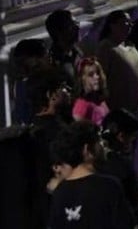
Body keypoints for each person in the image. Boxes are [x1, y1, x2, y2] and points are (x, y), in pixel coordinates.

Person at [48, 120, 136, 228]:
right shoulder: (108, 186)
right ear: (87, 150)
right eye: (98, 141)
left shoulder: (59, 193)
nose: (103, 145)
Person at [28, 65, 72, 228]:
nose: (68, 91)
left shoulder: (31, 130)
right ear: (50, 95)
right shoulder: (60, 133)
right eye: (63, 87)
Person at [97, 109, 138, 227]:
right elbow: (133, 203)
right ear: (121, 136)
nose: (133, 142)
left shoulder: (92, 160)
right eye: (133, 137)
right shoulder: (120, 165)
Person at [96, 10, 138, 116]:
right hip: (123, 110)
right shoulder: (106, 47)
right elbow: (100, 80)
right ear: (112, 26)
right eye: (125, 22)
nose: (129, 25)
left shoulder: (130, 45)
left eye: (130, 22)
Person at [11, 38, 49, 125]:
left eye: (22, 62)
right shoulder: (21, 85)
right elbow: (23, 117)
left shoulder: (56, 77)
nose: (20, 68)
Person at [46, 9, 83, 84]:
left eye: (77, 23)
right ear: (58, 32)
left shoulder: (77, 52)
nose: (77, 28)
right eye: (71, 25)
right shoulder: (53, 64)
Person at [72, 57, 110, 126]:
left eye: (98, 73)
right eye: (91, 74)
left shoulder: (100, 100)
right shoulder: (81, 105)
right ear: (82, 79)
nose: (97, 77)